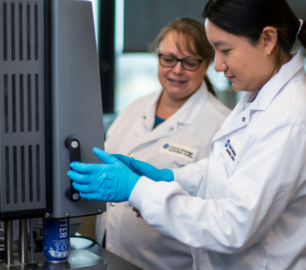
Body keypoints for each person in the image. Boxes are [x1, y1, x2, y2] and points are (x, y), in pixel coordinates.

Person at [68, 0, 306, 269]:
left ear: (268, 39)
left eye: (224, 50)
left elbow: (233, 226)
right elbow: (226, 170)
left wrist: (138, 190)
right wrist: (170, 176)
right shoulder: (260, 96)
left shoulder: (289, 117)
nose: (218, 66)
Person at [96, 18, 230, 270]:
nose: (176, 70)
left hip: (169, 262)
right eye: (168, 58)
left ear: (207, 63)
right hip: (110, 253)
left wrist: (158, 199)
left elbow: (221, 209)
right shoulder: (133, 109)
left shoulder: (221, 125)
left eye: (189, 62)